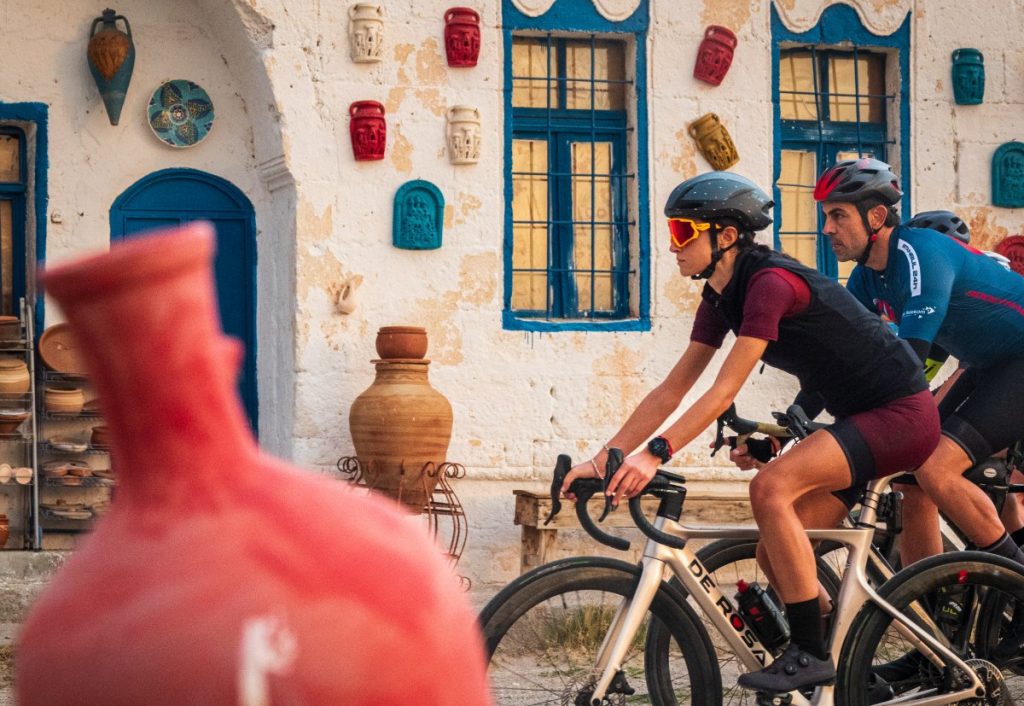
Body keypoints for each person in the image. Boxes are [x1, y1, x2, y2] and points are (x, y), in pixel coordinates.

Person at [559, 171, 940, 693]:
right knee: (774, 554)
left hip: (901, 414)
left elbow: (721, 392)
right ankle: (851, 678)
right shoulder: (721, 297)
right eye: (673, 232)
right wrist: (606, 458)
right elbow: (673, 389)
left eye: (683, 232)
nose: (674, 246)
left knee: (770, 487)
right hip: (858, 418)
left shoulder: (769, 285)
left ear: (727, 236)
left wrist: (655, 454)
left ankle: (808, 653)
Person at [814, 158, 1024, 656]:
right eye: (826, 216)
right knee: (914, 483)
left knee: (936, 468)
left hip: (1017, 360)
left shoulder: (921, 253)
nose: (827, 229)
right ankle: (937, 645)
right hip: (987, 365)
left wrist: (848, 422)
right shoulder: (866, 280)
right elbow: (839, 357)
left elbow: (911, 362)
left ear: (877, 217)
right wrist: (801, 415)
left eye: (837, 215)